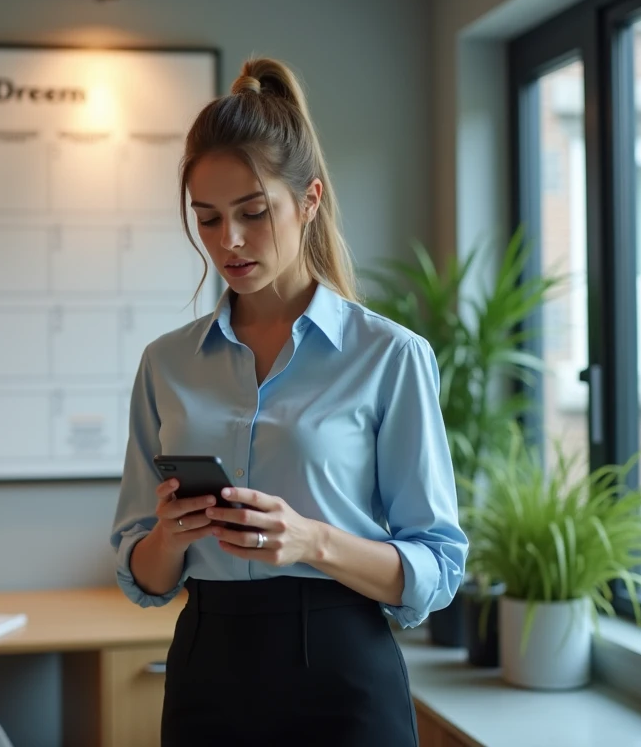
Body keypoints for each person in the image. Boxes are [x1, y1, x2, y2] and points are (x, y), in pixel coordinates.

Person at [109, 56, 468, 747]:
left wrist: (311, 540)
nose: (229, 242)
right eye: (207, 219)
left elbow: (437, 566)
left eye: (252, 212)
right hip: (206, 672)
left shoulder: (389, 356)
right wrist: (170, 535)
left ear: (308, 200)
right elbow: (142, 575)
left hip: (343, 677)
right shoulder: (166, 363)